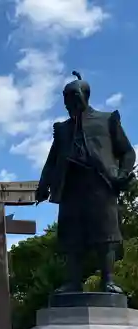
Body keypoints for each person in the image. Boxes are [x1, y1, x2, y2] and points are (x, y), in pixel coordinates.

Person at [36, 71, 136, 293]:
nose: (67, 105)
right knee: (72, 236)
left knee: (105, 233)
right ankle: (73, 282)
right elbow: (52, 161)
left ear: (82, 96)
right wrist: (44, 185)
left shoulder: (107, 120)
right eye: (65, 100)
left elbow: (128, 152)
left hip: (100, 183)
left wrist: (122, 173)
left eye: (70, 99)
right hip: (71, 185)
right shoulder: (63, 129)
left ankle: (108, 279)